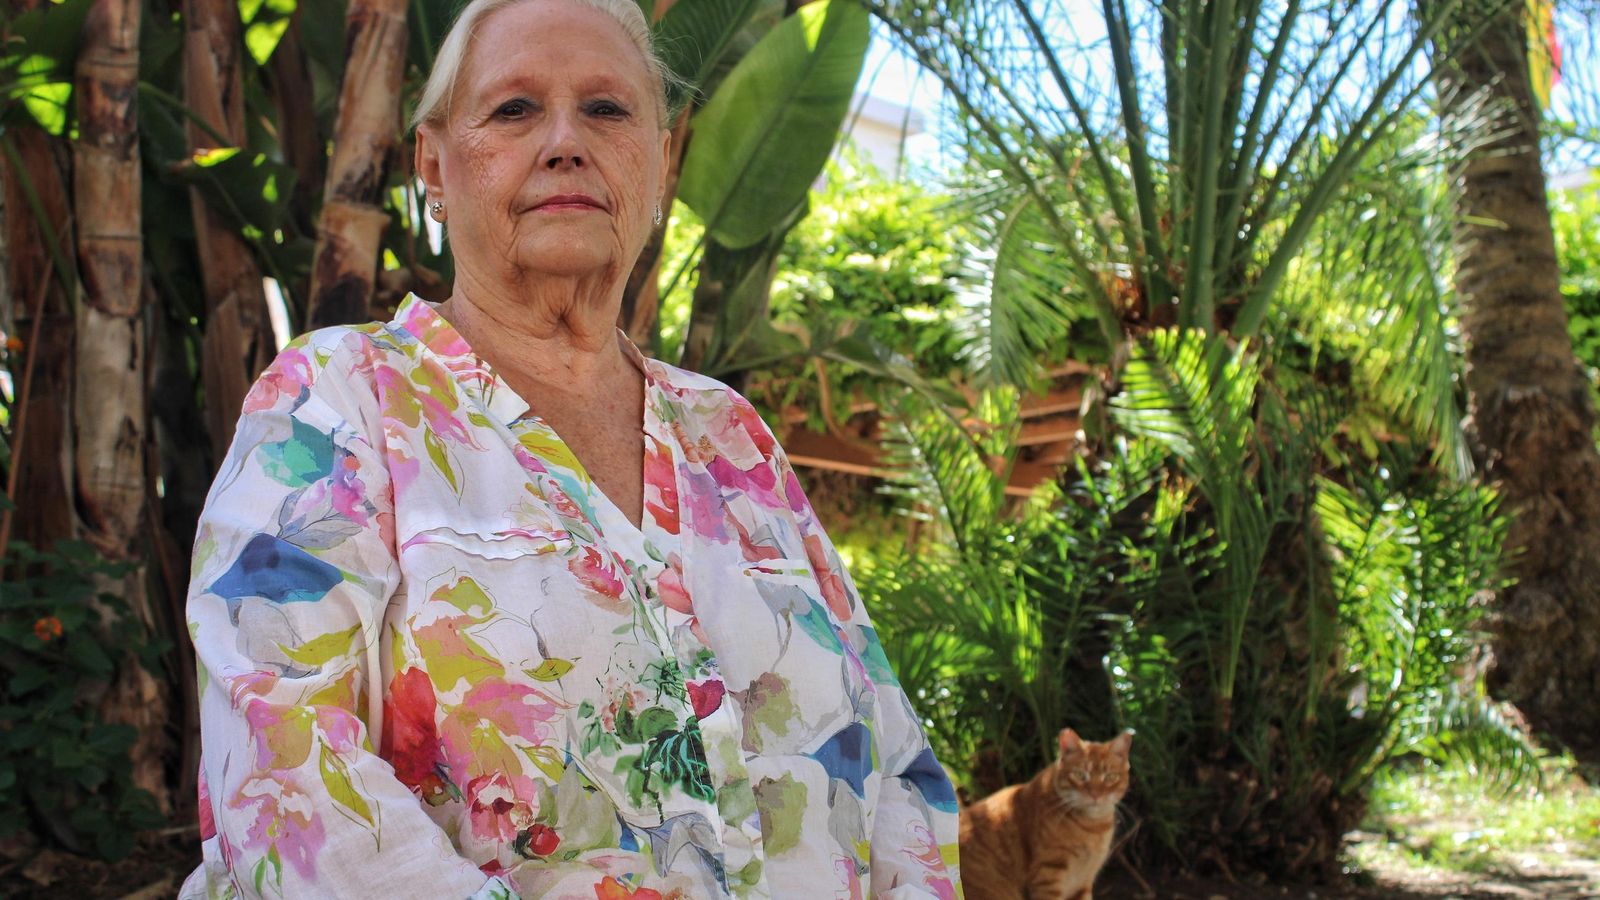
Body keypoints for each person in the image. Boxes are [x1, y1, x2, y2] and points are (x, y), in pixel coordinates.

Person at [179, 0, 961, 896]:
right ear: (433, 163)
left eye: (607, 110)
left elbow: (902, 765)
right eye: (513, 109)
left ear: (662, 159)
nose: (564, 141)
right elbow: (282, 775)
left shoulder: (730, 434)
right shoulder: (338, 399)